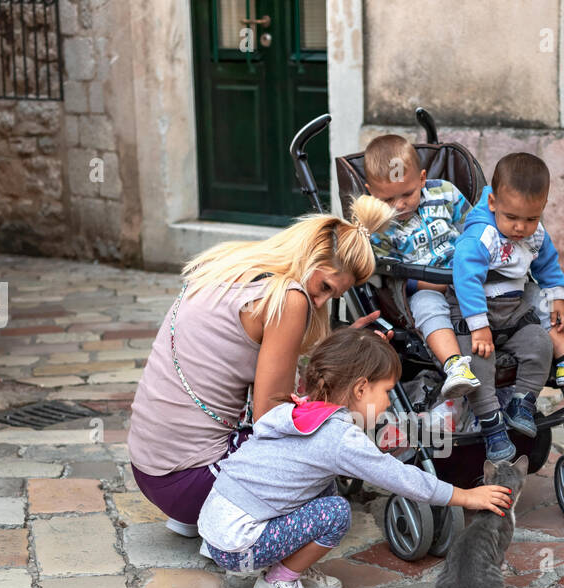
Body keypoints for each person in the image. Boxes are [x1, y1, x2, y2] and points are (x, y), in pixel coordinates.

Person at [197, 326, 514, 588]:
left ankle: (292, 562)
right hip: (239, 545)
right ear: (361, 388)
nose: (390, 401)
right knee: (335, 513)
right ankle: (279, 580)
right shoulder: (339, 439)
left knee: (326, 484)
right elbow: (399, 476)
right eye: (387, 390)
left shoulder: (302, 411)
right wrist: (466, 495)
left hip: (219, 525)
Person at [127, 194, 395, 539]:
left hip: (151, 472)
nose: (321, 302)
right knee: (318, 446)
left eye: (333, 296)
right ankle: (267, 562)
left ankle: (196, 515)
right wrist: (343, 381)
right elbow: (271, 419)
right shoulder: (290, 298)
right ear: (310, 257)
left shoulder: (232, 264)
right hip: (191, 482)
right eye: (324, 287)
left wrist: (337, 348)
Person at [449, 152, 564, 461]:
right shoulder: (481, 236)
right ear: (493, 203)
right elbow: (466, 279)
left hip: (512, 313)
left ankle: (522, 401)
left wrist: (557, 298)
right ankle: (492, 425)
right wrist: (479, 326)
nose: (520, 227)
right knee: (479, 361)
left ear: (542, 208)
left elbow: (548, 264)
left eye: (530, 218)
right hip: (476, 313)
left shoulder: (535, 233)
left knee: (539, 343)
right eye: (512, 218)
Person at [362, 134, 479, 401]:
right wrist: (432, 283)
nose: (399, 205)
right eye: (387, 199)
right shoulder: (377, 225)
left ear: (422, 179)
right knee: (428, 307)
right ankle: (455, 365)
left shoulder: (445, 193)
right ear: (370, 191)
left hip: (468, 275)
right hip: (422, 286)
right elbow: (386, 274)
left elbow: (473, 231)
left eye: (407, 194)